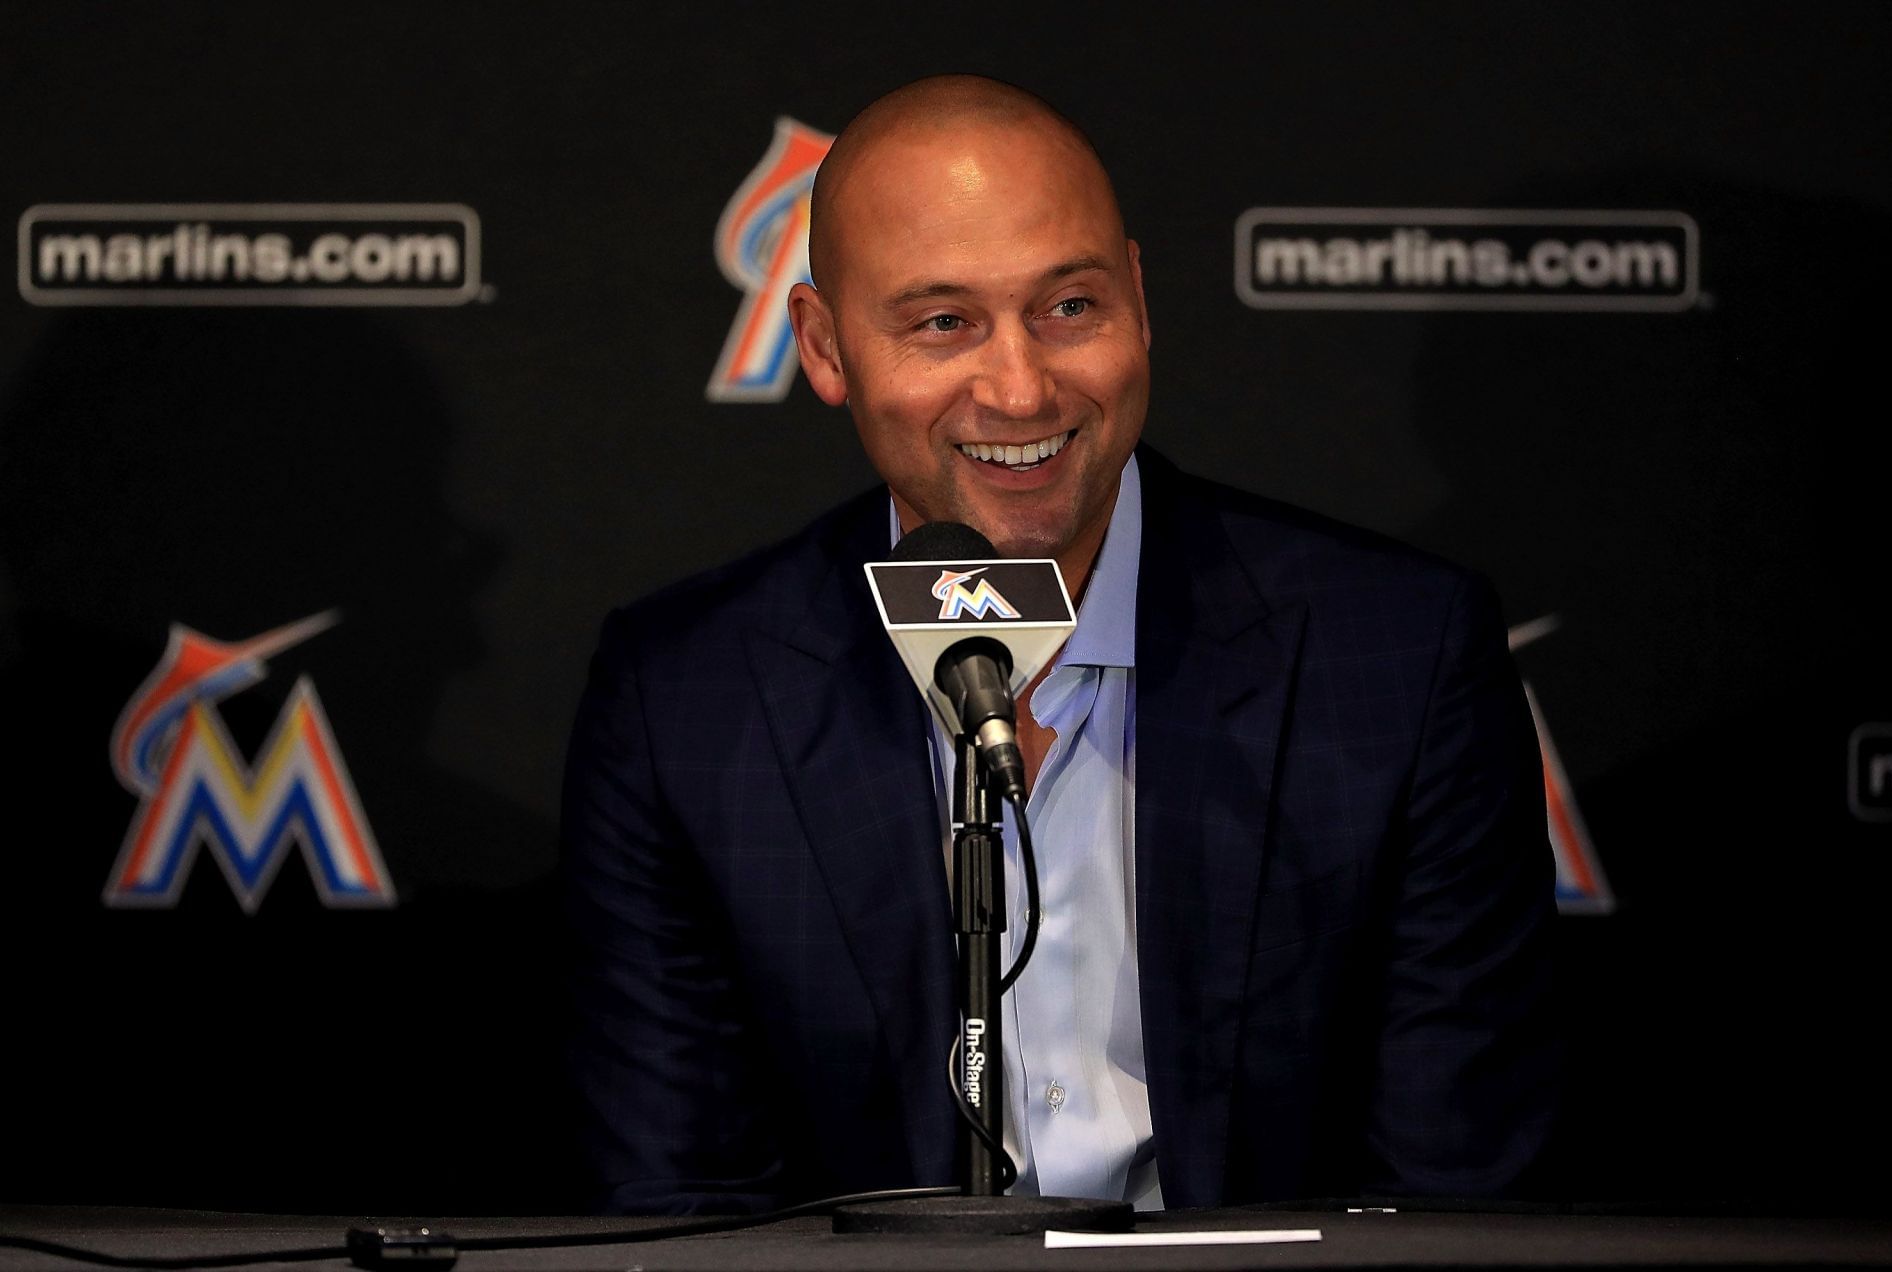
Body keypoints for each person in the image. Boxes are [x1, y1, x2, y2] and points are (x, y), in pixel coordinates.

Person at [561, 74, 1559, 1216]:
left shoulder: (1400, 656)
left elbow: (1454, 1194)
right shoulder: (685, 700)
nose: (1022, 385)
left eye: (1069, 307)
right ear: (827, 348)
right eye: (944, 322)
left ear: (1138, 298)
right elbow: (683, 1206)